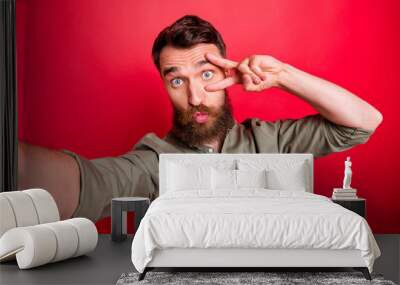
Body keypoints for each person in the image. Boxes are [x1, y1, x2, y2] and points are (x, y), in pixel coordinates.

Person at [18, 15, 383, 222]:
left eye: (207, 75)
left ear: (229, 74)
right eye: (177, 80)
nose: (195, 97)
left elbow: (363, 121)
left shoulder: (269, 142)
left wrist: (283, 75)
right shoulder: (153, 161)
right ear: (165, 84)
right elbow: (84, 182)